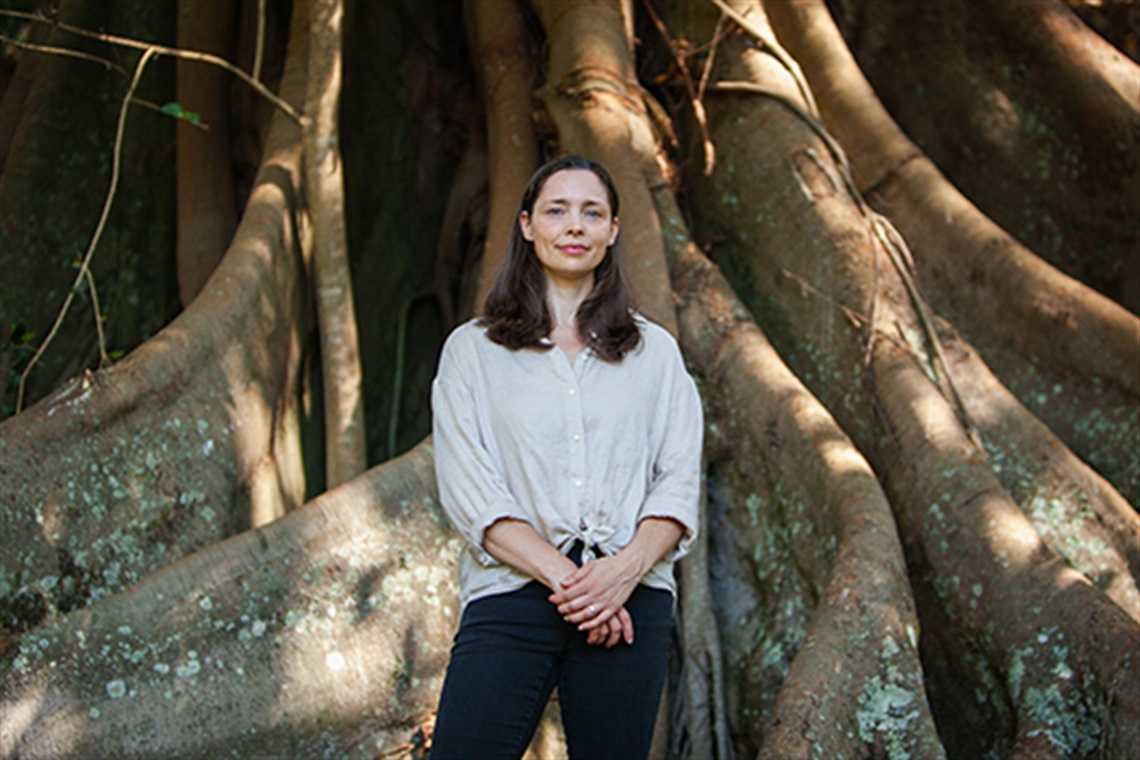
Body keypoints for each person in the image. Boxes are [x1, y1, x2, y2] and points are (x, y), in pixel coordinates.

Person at [429, 155, 703, 759]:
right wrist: (577, 585)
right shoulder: (473, 352)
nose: (574, 225)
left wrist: (623, 572)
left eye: (592, 212)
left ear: (613, 231)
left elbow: (677, 483)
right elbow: (469, 489)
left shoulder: (655, 354)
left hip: (632, 598)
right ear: (527, 225)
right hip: (512, 592)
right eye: (557, 210)